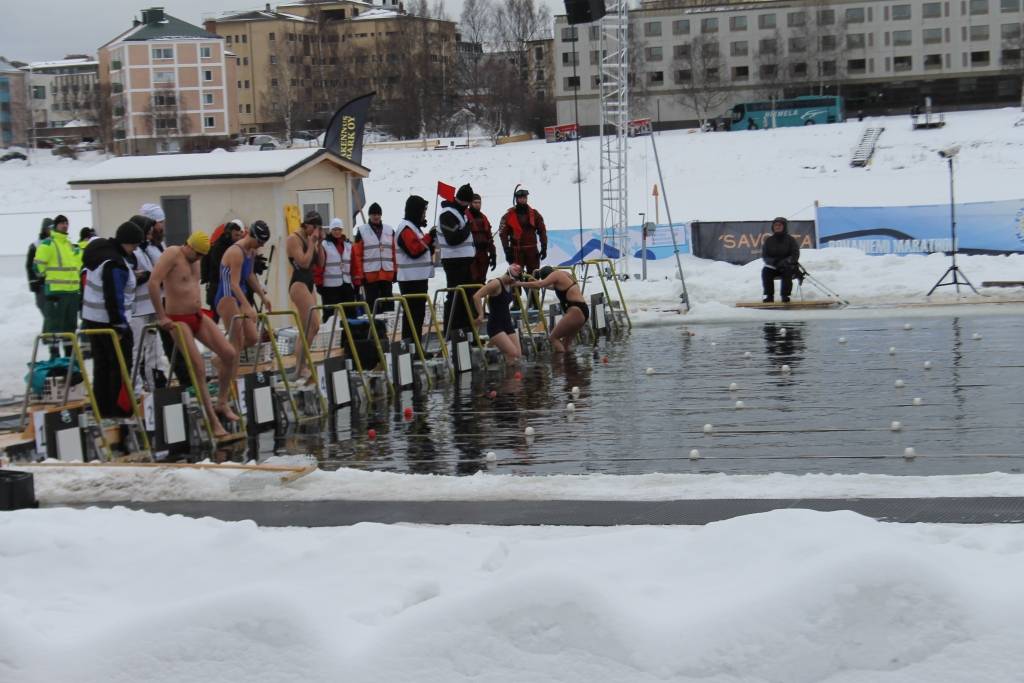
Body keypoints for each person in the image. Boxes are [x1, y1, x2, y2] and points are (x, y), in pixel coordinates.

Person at [148, 231, 237, 438]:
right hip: (178, 320)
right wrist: (161, 316)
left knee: (230, 354)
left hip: (197, 316)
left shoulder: (195, 259)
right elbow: (153, 282)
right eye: (196, 255)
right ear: (189, 246)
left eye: (201, 257)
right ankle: (212, 421)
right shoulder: (172, 253)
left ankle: (221, 403)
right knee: (197, 366)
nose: (198, 260)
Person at [80, 222, 144, 417]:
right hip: (111, 323)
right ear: (126, 242)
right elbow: (113, 295)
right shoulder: (115, 264)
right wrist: (120, 326)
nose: (134, 250)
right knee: (119, 366)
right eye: (133, 245)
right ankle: (118, 410)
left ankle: (102, 409)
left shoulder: (98, 250)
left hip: (91, 319)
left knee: (101, 366)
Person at [215, 220, 272, 384]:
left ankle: (220, 360)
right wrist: (247, 306)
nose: (260, 246)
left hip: (238, 296)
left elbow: (249, 276)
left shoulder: (251, 251)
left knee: (253, 338)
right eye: (260, 242)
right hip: (227, 298)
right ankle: (230, 384)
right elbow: (233, 283)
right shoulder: (236, 252)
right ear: (251, 235)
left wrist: (263, 296)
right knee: (237, 341)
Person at [126, 214, 168, 391]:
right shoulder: (133, 253)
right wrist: (146, 277)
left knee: (154, 350)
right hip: (137, 311)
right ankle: (134, 389)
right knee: (136, 351)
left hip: (150, 309)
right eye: (148, 233)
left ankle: (154, 384)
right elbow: (129, 279)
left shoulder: (146, 250)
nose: (151, 236)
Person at [34, 214, 82, 359]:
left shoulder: (69, 245)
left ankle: (68, 358)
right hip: (56, 293)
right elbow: (38, 267)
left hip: (72, 293)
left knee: (70, 327)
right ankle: (54, 358)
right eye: (62, 223)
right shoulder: (48, 244)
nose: (65, 225)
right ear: (55, 226)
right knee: (54, 326)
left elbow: (77, 266)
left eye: (66, 223)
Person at [520, 266, 589, 353]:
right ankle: (570, 365)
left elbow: (540, 285)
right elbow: (552, 286)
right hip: (582, 310)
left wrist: (518, 283)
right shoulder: (564, 274)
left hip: (575, 312)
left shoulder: (556, 274)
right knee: (566, 344)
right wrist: (536, 281)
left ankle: (560, 365)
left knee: (553, 338)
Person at [436, 183, 476, 337]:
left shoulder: (460, 213)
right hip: (454, 262)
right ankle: (451, 332)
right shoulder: (448, 214)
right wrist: (467, 227)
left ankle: (465, 332)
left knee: (465, 298)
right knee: (455, 298)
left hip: (464, 261)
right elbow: (453, 238)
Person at [287, 211, 323, 378]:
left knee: (311, 329)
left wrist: (320, 243)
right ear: (306, 224)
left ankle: (301, 365)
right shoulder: (293, 239)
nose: (314, 230)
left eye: (317, 228)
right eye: (313, 227)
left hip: (309, 285)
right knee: (313, 324)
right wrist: (311, 243)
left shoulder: (312, 239)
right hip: (298, 284)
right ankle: (299, 367)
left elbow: (320, 263)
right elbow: (303, 262)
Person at [395, 195, 435, 343]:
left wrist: (430, 243)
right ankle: (411, 347)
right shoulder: (405, 228)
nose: (424, 214)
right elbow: (414, 250)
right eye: (423, 211)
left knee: (417, 316)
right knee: (412, 316)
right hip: (410, 280)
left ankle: (415, 346)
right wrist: (429, 238)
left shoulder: (414, 228)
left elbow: (421, 249)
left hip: (417, 278)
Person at [472, 263, 523, 364]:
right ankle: (490, 347)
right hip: (496, 325)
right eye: (513, 280)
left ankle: (510, 378)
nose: (514, 282)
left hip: (507, 323)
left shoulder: (510, 283)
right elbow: (476, 296)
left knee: (517, 356)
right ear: (508, 274)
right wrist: (481, 314)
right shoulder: (496, 283)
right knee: (512, 352)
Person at [352, 203, 396, 314]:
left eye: (378, 214)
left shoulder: (389, 230)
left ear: (381, 215)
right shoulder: (362, 231)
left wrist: (396, 271)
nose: (376, 216)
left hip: (387, 274)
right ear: (369, 216)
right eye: (373, 214)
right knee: (373, 306)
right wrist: (360, 275)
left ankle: (389, 328)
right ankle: (375, 329)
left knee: (388, 304)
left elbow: (395, 252)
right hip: (370, 275)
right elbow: (357, 255)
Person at [201, 220, 247, 316]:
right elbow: (224, 268)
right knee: (218, 317)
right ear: (228, 234)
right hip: (217, 287)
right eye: (236, 235)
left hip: (226, 287)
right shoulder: (218, 248)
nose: (238, 238)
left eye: (240, 235)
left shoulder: (234, 248)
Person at [498, 188, 547, 274]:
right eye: (520, 198)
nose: (522, 199)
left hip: (532, 251)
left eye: (524, 197)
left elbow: (542, 231)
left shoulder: (535, 214)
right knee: (515, 278)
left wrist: (544, 246)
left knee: (534, 276)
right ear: (516, 199)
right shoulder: (508, 216)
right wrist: (506, 250)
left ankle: (533, 288)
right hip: (516, 251)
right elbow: (503, 234)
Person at [318, 217, 355, 323]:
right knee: (329, 316)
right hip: (329, 287)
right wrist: (319, 283)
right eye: (335, 229)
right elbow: (319, 266)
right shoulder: (324, 245)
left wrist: (356, 282)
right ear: (331, 230)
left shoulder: (348, 245)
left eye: (339, 229)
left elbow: (354, 265)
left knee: (350, 314)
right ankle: (328, 337)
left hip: (346, 284)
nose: (337, 232)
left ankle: (350, 336)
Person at [761, 216, 801, 303]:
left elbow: (795, 254)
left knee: (787, 270)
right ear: (773, 227)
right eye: (775, 225)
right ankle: (769, 296)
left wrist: (786, 261)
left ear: (784, 227)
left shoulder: (791, 240)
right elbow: (765, 256)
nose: (777, 227)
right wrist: (774, 262)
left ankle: (785, 296)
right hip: (773, 266)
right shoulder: (769, 240)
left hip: (787, 265)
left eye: (780, 225)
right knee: (766, 271)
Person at [467, 194, 496, 284]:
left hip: (483, 253)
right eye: (475, 202)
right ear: (470, 204)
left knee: (481, 280)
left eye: (479, 203)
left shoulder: (484, 218)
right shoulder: (465, 216)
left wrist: (493, 254)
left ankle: (478, 298)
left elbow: (489, 237)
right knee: (472, 279)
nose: (477, 205)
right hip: (470, 254)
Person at [26, 217, 53, 315]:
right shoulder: (35, 245)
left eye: (52, 228)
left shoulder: (55, 243)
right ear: (44, 229)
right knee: (45, 309)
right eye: (48, 228)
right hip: (40, 284)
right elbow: (29, 265)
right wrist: (33, 282)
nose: (50, 230)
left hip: (54, 284)